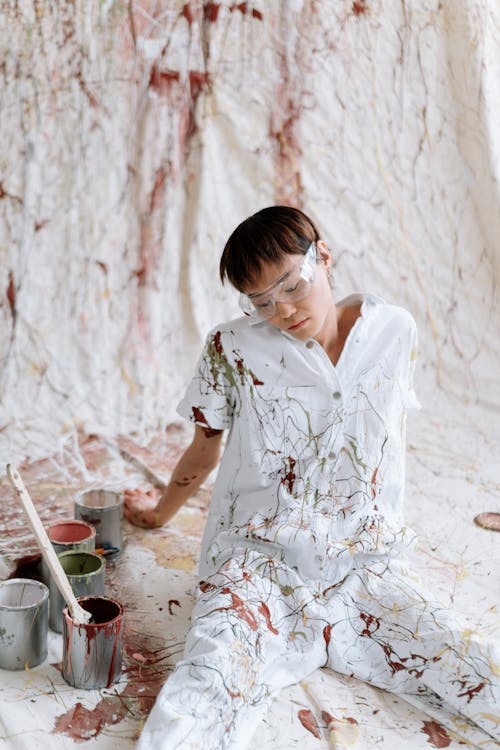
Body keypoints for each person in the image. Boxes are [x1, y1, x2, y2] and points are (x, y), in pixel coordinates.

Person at [124, 206, 499, 750]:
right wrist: (159, 513)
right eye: (261, 301)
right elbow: (205, 448)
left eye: (293, 286)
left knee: (471, 661)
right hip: (257, 563)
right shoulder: (231, 348)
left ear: (323, 256)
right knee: (204, 689)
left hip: (362, 564)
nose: (282, 310)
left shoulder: (394, 331)